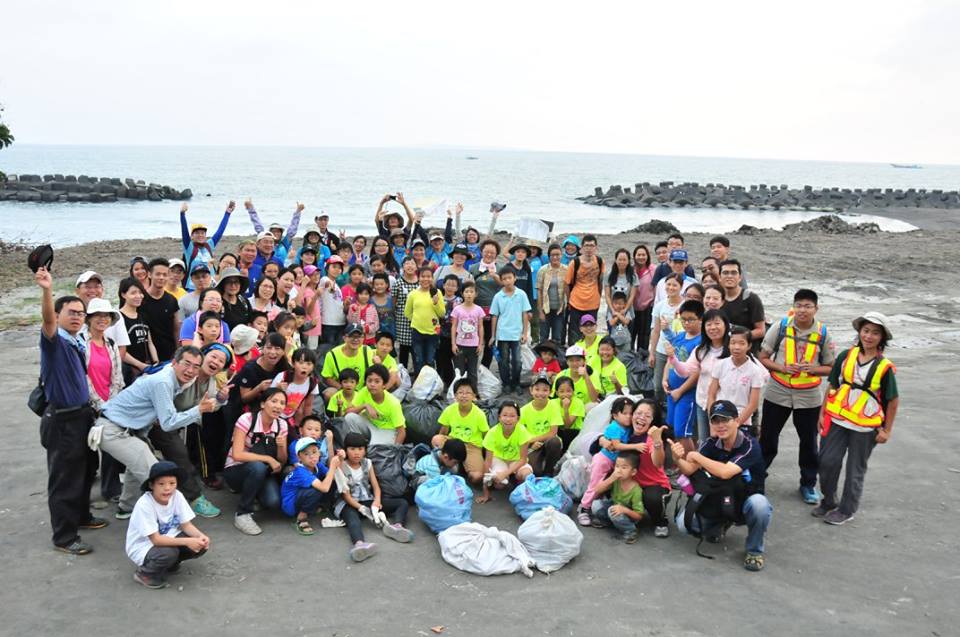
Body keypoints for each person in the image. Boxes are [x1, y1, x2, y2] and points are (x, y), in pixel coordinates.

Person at [97, 346, 219, 519]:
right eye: (186, 364)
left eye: (195, 366)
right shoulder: (163, 381)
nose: (190, 370)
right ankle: (170, 521)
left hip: (128, 430)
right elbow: (168, 423)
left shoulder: (175, 378)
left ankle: (127, 508)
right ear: (174, 363)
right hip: (112, 429)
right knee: (158, 476)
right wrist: (199, 410)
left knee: (138, 464)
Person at [35, 267, 104, 555]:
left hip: (82, 415)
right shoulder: (55, 341)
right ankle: (64, 537)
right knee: (64, 478)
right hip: (63, 420)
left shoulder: (77, 340)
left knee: (87, 470)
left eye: (80, 313)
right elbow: (47, 321)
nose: (76, 316)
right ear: (58, 316)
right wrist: (47, 290)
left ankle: (82, 516)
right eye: (71, 312)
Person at [815, 312, 899, 526]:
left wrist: (886, 430)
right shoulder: (846, 356)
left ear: (882, 338)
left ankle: (846, 509)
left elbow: (892, 400)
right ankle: (829, 500)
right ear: (859, 332)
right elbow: (832, 385)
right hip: (837, 418)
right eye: (866, 331)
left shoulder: (884, 367)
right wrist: (822, 414)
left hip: (865, 427)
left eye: (875, 333)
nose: (869, 336)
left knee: (855, 469)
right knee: (827, 461)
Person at [672, 400, 772, 572]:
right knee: (683, 524)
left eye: (725, 420)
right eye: (716, 421)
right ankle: (720, 525)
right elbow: (689, 469)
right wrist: (677, 459)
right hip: (720, 498)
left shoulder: (750, 445)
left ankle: (754, 551)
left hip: (745, 500)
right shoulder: (710, 443)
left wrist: (697, 456)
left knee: (760, 506)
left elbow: (725, 472)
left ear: (737, 421)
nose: (720, 425)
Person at [759, 289, 836, 504]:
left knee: (809, 443)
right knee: (768, 438)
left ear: (816, 309)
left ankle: (808, 484)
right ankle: (757, 478)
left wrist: (813, 369)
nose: (803, 310)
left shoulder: (823, 333)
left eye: (808, 306)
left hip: (809, 396)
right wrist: (782, 368)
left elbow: (832, 367)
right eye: (799, 305)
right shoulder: (780, 327)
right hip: (778, 391)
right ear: (794, 307)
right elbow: (763, 357)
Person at [126, 461, 210, 589]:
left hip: (168, 536)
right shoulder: (144, 504)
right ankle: (145, 573)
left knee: (200, 545)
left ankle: (170, 564)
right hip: (144, 545)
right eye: (161, 484)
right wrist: (188, 541)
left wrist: (201, 536)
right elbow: (156, 540)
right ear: (151, 485)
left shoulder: (177, 496)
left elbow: (186, 525)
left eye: (172, 483)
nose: (167, 488)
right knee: (168, 553)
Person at [333, 431, 415, 562]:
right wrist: (361, 508)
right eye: (352, 449)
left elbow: (376, 486)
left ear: (365, 450)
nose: (356, 453)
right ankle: (359, 544)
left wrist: (376, 501)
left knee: (402, 503)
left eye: (360, 449)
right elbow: (346, 495)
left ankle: (397, 526)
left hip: (367, 499)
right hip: (349, 504)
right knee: (353, 519)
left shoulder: (368, 463)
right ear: (346, 450)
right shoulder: (341, 465)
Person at [224, 387, 290, 535]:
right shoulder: (247, 419)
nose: (278, 406)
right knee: (257, 467)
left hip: (263, 471)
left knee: (273, 502)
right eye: (274, 401)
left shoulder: (282, 425)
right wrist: (268, 459)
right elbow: (237, 454)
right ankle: (242, 513)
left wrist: (281, 447)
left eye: (282, 403)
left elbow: (282, 460)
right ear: (262, 404)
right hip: (236, 469)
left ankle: (253, 493)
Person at [668, 309, 730, 442]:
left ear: (725, 325)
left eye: (717, 323)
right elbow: (685, 371)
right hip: (703, 402)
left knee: (723, 442)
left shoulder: (732, 349)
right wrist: (673, 359)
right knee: (704, 442)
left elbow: (760, 374)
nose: (713, 328)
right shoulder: (701, 349)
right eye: (709, 324)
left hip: (725, 406)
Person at [577, 396, 634, 525]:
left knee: (608, 485)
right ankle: (584, 508)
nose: (629, 416)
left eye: (631, 413)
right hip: (603, 460)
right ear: (615, 415)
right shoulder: (614, 427)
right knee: (595, 484)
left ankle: (599, 508)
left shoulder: (628, 428)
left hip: (616, 462)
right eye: (625, 413)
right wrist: (636, 446)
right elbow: (617, 446)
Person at [619, 400, 672, 537]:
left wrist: (657, 441)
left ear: (653, 421)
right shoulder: (624, 431)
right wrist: (602, 439)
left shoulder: (651, 438)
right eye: (638, 413)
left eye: (647, 416)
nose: (641, 417)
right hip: (630, 483)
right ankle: (632, 514)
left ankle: (660, 521)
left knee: (652, 498)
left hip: (653, 486)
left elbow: (658, 463)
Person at [707, 326, 768, 429]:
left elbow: (753, 404)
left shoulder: (755, 371)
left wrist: (736, 424)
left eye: (741, 343)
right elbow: (711, 394)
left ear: (749, 346)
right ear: (728, 345)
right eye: (733, 343)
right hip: (719, 418)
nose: (736, 347)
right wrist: (712, 419)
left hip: (742, 420)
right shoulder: (720, 365)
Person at [663, 300, 704, 452]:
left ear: (700, 319)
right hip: (672, 390)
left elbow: (697, 372)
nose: (686, 323)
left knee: (683, 432)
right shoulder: (680, 336)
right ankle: (679, 458)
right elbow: (670, 360)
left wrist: (680, 391)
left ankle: (690, 461)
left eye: (691, 319)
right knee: (673, 426)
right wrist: (664, 379)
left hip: (687, 393)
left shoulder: (701, 342)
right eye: (683, 319)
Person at [432, 378, 489, 484]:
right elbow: (443, 431)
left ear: (474, 396)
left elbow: (487, 437)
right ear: (455, 395)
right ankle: (450, 464)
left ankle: (458, 466)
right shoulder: (449, 410)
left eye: (468, 393)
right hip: (453, 443)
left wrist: (485, 456)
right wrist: (443, 448)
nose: (464, 396)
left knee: (477, 477)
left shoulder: (480, 414)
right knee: (436, 439)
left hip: (472, 446)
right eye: (460, 392)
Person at [281, 437, 342, 535]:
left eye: (314, 452)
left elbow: (334, 477)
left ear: (319, 452)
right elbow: (324, 488)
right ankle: (301, 518)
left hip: (302, 495)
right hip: (291, 505)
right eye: (306, 454)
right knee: (317, 490)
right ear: (299, 458)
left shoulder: (317, 465)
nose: (311, 456)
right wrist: (332, 466)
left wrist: (340, 460)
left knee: (329, 480)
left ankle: (318, 506)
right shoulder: (300, 472)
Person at [476, 401, 533, 504]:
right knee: (499, 485)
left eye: (512, 416)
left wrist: (505, 473)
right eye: (505, 415)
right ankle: (509, 478)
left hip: (516, 460)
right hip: (499, 459)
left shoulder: (522, 431)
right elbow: (487, 462)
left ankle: (516, 480)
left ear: (518, 418)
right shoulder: (492, 432)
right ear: (499, 417)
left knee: (526, 474)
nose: (508, 419)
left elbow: (523, 459)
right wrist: (485, 492)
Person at [489, 267, 531, 394]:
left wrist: (524, 333)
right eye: (504, 279)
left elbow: (525, 314)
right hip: (502, 334)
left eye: (509, 278)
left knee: (517, 361)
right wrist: (493, 335)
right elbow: (494, 316)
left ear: (515, 278)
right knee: (503, 361)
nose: (507, 281)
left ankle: (516, 383)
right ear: (501, 281)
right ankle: (506, 383)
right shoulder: (498, 296)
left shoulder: (521, 294)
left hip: (516, 334)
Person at [343, 364, 406, 446]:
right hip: (370, 424)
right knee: (350, 417)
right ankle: (359, 442)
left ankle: (369, 444)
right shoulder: (364, 391)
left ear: (384, 384)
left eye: (377, 381)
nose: (372, 384)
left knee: (373, 450)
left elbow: (402, 432)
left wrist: (395, 449)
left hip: (386, 431)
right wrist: (365, 405)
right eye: (369, 381)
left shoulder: (393, 403)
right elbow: (347, 412)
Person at [590, 450, 645, 543]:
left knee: (612, 512)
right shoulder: (615, 480)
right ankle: (608, 522)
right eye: (617, 466)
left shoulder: (636, 490)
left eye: (624, 467)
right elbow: (597, 490)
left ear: (633, 472)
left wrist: (624, 510)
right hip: (614, 507)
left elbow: (639, 515)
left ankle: (630, 530)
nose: (619, 470)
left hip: (628, 514)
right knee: (596, 505)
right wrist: (611, 478)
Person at [649, 272, 684, 407]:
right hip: (661, 350)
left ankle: (671, 408)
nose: (671, 287)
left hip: (678, 352)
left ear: (681, 287)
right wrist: (652, 353)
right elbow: (655, 330)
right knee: (658, 385)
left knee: (673, 383)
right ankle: (658, 409)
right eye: (668, 284)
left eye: (675, 285)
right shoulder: (660, 305)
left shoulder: (685, 306)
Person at [468, 239, 503, 368]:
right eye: (486, 252)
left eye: (492, 253)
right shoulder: (473, 268)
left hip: (493, 310)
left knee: (489, 340)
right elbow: (468, 287)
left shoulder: (500, 268)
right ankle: (471, 367)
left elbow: (506, 287)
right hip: (475, 310)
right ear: (481, 252)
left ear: (496, 254)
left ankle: (484, 368)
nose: (489, 255)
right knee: (472, 339)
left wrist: (496, 277)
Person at [519, 376, 564, 476]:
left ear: (550, 392)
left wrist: (532, 439)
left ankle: (549, 472)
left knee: (555, 442)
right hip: (533, 444)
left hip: (548, 441)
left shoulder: (553, 406)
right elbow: (520, 433)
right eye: (537, 389)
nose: (540, 393)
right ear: (531, 390)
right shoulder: (524, 410)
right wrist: (530, 443)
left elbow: (553, 433)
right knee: (535, 471)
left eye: (545, 390)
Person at [118, 277, 159, 384]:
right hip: (129, 370)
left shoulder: (142, 316)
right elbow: (120, 350)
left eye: (140, 292)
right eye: (133, 293)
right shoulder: (118, 318)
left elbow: (149, 342)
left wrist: (156, 362)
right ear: (123, 295)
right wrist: (141, 366)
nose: (138, 296)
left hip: (146, 367)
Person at [719, 259, 765, 354]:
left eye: (734, 273)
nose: (729, 276)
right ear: (719, 277)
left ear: (740, 277)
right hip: (721, 349)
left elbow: (761, 330)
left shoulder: (750, 298)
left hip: (746, 352)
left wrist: (737, 338)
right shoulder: (715, 298)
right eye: (725, 273)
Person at [564, 234, 603, 345]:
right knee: (575, 334)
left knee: (590, 333)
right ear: (581, 247)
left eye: (592, 246)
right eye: (586, 245)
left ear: (596, 247)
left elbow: (600, 281)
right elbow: (566, 283)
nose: (589, 249)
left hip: (593, 303)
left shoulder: (600, 261)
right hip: (576, 302)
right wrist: (569, 300)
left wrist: (599, 297)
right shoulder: (575, 263)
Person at [405, 266, 446, 370]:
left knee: (430, 360)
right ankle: (419, 379)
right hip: (417, 331)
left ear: (432, 278)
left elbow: (442, 313)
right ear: (418, 277)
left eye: (428, 276)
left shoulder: (437, 292)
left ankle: (430, 379)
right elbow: (407, 313)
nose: (426, 279)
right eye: (423, 276)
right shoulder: (413, 294)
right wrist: (417, 320)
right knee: (418, 360)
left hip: (433, 332)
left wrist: (436, 303)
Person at [141, 258, 181, 362]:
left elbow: (176, 329)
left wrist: (178, 352)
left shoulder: (172, 300)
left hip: (169, 354)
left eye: (165, 275)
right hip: (146, 356)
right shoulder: (141, 300)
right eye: (158, 274)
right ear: (149, 274)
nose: (161, 278)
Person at [180, 200, 233, 276]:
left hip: (211, 282)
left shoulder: (209, 245)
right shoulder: (189, 247)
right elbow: (184, 230)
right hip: (193, 283)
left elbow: (220, 231)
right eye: (197, 233)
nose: (200, 235)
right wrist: (182, 214)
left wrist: (227, 213)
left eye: (202, 233)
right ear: (192, 236)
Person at [319, 323, 371, 400]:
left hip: (363, 391)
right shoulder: (332, 354)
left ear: (363, 338)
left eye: (359, 336)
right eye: (351, 336)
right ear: (344, 338)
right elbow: (327, 377)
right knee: (329, 393)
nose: (355, 339)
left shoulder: (367, 351)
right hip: (342, 391)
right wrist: (343, 388)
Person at [272, 348, 319, 430]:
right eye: (300, 363)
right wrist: (277, 388)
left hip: (290, 418)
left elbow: (308, 405)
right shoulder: (283, 377)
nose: (304, 367)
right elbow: (267, 397)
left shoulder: (313, 383)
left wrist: (306, 425)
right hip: (274, 415)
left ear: (313, 367)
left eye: (308, 364)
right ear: (293, 364)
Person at [244, 199, 303, 265]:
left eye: (278, 232)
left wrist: (298, 212)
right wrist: (251, 209)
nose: (276, 234)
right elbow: (258, 225)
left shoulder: (284, 244)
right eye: (274, 231)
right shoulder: (264, 240)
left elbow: (292, 229)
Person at [451, 280, 485, 390]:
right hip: (460, 344)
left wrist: (480, 344)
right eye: (466, 291)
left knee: (472, 371)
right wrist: (453, 344)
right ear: (462, 294)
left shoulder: (479, 310)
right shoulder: (457, 309)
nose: (469, 294)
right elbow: (454, 326)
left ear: (476, 294)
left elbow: (480, 327)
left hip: (473, 345)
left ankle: (473, 392)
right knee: (459, 370)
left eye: (471, 291)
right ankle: (458, 391)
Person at [392, 256, 421, 367]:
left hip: (418, 320)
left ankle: (417, 372)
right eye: (407, 263)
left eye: (412, 263)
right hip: (403, 320)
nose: (410, 266)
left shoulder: (420, 283)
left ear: (416, 267)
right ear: (403, 267)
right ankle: (403, 372)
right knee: (404, 349)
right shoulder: (398, 283)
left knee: (417, 350)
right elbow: (394, 303)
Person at [537, 243, 568, 345]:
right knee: (543, 337)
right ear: (549, 256)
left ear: (561, 255)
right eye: (552, 255)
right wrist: (540, 311)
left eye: (557, 255)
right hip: (546, 308)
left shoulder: (566, 270)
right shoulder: (543, 270)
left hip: (559, 310)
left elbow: (569, 288)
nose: (555, 257)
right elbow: (539, 290)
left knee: (557, 337)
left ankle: (557, 355)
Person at [631, 244, 656, 352]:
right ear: (634, 256)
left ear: (647, 256)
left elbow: (656, 287)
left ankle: (642, 357)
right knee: (631, 334)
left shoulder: (653, 269)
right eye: (639, 255)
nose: (641, 257)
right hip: (631, 307)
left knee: (644, 335)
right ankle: (630, 357)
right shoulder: (631, 270)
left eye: (643, 255)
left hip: (647, 307)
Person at [553, 376, 586, 450]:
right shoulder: (552, 403)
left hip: (575, 432)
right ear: (557, 393)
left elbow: (568, 425)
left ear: (573, 392)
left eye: (568, 391)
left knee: (566, 432)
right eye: (562, 391)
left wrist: (566, 409)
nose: (565, 394)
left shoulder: (578, 403)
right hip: (559, 431)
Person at [320, 256, 347, 344]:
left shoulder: (338, 286)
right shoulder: (324, 279)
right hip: (329, 323)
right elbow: (327, 284)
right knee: (328, 348)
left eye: (339, 268)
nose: (337, 270)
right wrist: (330, 286)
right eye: (334, 267)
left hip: (340, 322)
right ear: (327, 268)